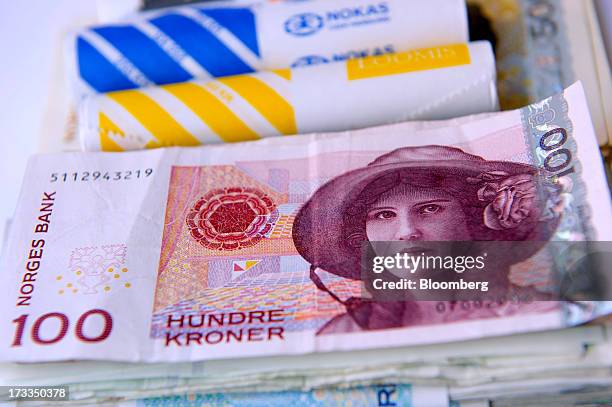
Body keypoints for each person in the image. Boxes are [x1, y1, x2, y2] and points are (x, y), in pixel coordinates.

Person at [292, 145, 561, 334]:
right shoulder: (343, 336)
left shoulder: (544, 315)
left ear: (476, 221)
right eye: (384, 215)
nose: (406, 232)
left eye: (430, 209)